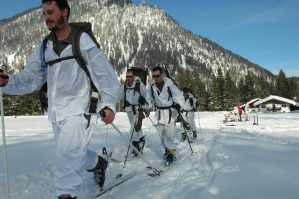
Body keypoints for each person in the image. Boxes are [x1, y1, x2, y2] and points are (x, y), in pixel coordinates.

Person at [0, 0, 120, 198]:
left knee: (66, 159)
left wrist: (109, 105)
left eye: (51, 12)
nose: (47, 17)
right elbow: (32, 76)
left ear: (65, 11)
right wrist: (9, 81)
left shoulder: (83, 42)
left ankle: (66, 194)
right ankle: (99, 164)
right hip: (57, 112)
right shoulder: (45, 46)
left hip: (81, 109)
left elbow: (106, 77)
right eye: (44, 14)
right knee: (75, 155)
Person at [149, 66, 186, 165]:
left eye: (157, 75)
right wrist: (145, 104)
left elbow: (179, 96)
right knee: (161, 134)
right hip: (159, 113)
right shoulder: (152, 87)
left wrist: (179, 104)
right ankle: (167, 149)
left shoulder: (169, 85)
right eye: (153, 76)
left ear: (161, 75)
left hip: (170, 112)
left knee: (169, 134)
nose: (155, 78)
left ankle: (170, 153)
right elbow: (149, 99)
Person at [120, 68, 150, 157]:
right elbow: (119, 95)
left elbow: (147, 97)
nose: (128, 78)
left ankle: (136, 145)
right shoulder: (125, 85)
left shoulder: (140, 85)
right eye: (127, 76)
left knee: (133, 128)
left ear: (134, 76)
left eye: (130, 76)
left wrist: (146, 105)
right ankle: (141, 140)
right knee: (136, 128)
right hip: (129, 110)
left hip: (138, 110)